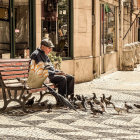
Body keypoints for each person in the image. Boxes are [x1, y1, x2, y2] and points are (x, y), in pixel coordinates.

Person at [30, 38, 74, 103]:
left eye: (51, 48)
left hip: (50, 74)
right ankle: (61, 100)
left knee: (70, 77)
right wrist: (56, 73)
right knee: (62, 78)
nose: (50, 50)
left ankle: (69, 98)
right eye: (49, 48)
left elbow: (50, 67)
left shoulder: (45, 55)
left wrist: (58, 72)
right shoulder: (36, 55)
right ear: (42, 47)